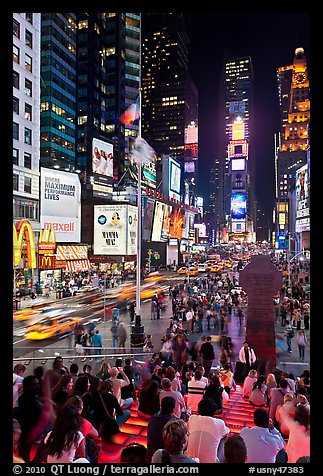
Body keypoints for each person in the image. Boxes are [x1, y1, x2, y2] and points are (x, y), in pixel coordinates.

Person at [186, 397, 230, 463]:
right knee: (224, 439)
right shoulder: (219, 423)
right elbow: (227, 433)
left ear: (199, 409)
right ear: (213, 411)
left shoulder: (192, 419)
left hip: (189, 461)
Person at [146, 396, 177, 463]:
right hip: (166, 460)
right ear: (173, 409)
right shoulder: (175, 424)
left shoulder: (152, 419)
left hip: (149, 457)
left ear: (161, 406)